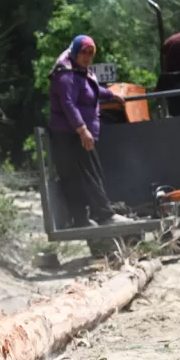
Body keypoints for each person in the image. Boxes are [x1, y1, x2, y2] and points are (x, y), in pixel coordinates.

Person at [47, 35, 130, 226]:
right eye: (83, 52)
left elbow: (89, 90)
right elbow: (68, 104)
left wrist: (111, 95)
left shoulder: (78, 71)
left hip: (75, 134)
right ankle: (104, 215)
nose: (87, 57)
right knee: (89, 174)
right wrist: (82, 130)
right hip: (70, 134)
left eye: (91, 53)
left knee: (80, 177)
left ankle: (81, 219)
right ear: (75, 51)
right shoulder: (66, 75)